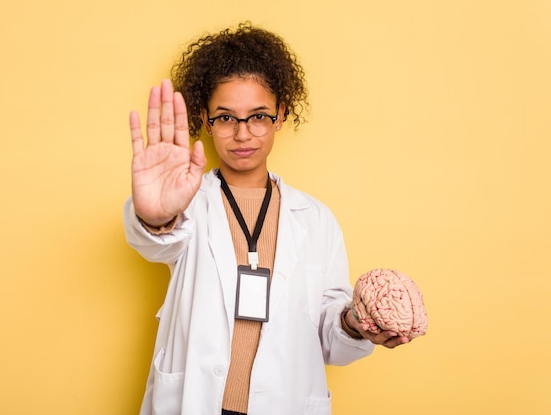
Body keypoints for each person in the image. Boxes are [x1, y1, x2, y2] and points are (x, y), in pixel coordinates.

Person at [123, 22, 409, 415]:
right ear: (205, 121)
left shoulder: (315, 220)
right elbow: (158, 243)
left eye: (258, 116)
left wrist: (354, 323)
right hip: (196, 400)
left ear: (280, 116)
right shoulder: (189, 203)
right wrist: (155, 217)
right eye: (225, 118)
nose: (243, 134)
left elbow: (331, 339)